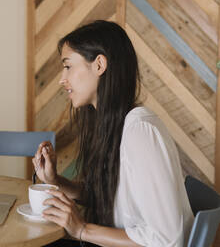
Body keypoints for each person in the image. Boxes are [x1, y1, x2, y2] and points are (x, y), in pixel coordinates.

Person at [33, 20, 194, 247]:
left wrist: (82, 229)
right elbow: (108, 195)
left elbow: (167, 239)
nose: (62, 79)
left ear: (99, 65)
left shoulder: (140, 131)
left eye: (68, 66)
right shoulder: (111, 124)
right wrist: (55, 180)